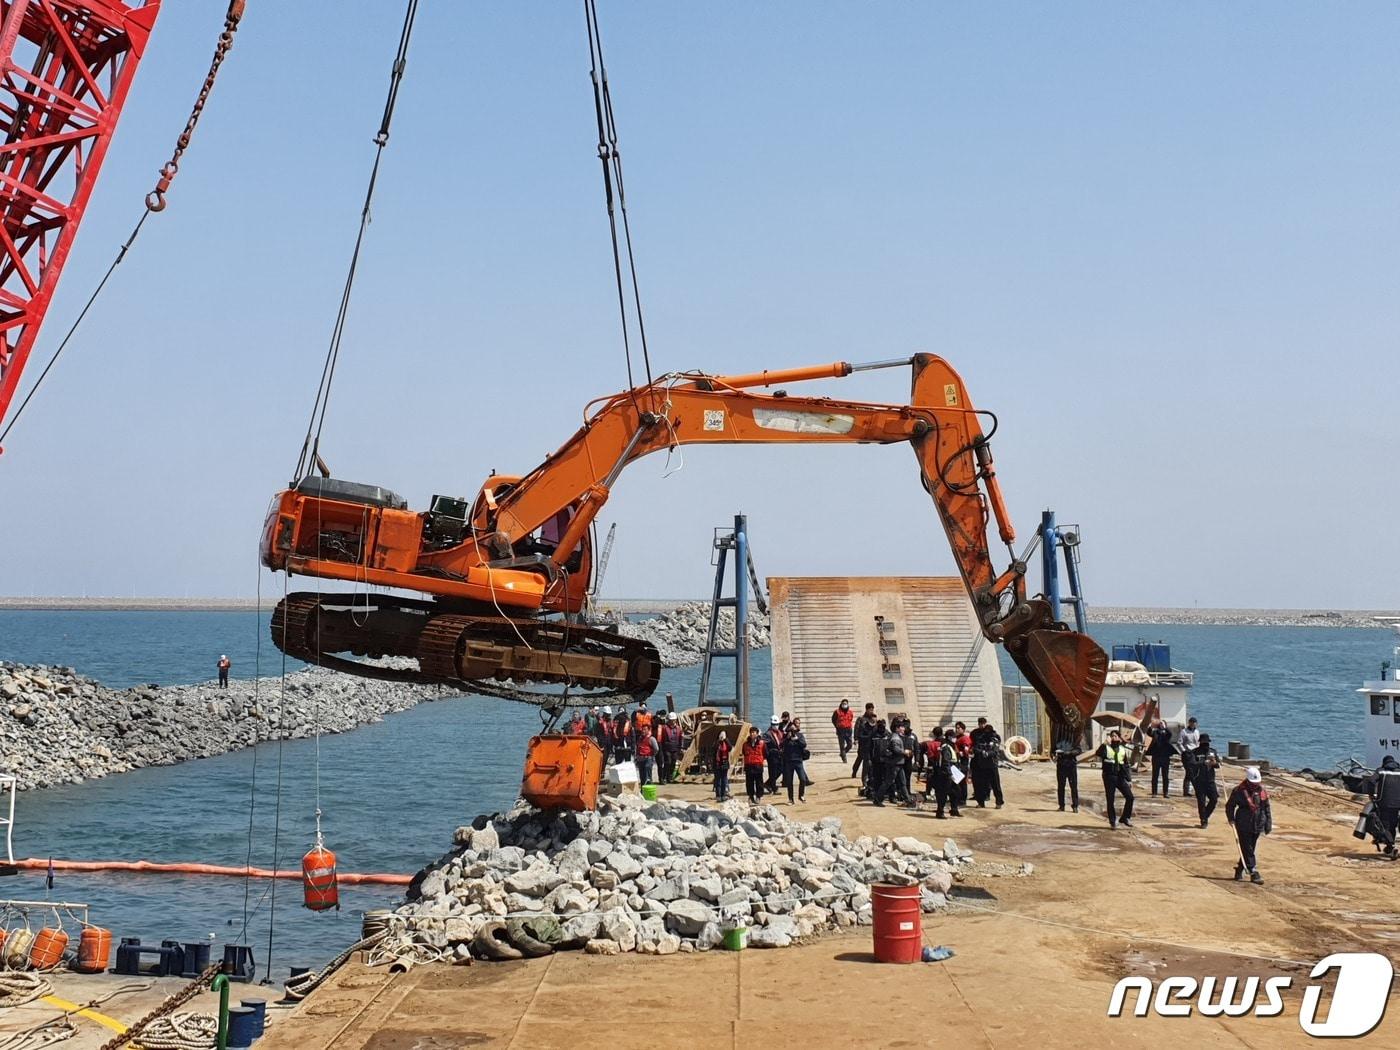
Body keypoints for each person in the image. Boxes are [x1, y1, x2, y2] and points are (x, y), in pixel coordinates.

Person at [1225, 767, 1272, 883]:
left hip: (1258, 823)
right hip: (1243, 823)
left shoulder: (1262, 791)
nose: (1255, 785)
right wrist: (1231, 819)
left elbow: (1266, 807)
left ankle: (1240, 868)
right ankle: (1253, 871)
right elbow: (1230, 806)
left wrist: (1268, 823)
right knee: (1248, 848)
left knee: (1249, 848)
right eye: (1253, 783)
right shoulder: (1239, 791)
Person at [1097, 729, 1135, 829]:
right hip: (1109, 776)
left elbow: (1126, 765)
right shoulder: (1106, 747)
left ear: (1119, 737)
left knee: (1130, 797)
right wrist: (1104, 743)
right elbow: (1098, 753)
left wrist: (1129, 779)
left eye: (1115, 736)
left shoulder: (1122, 749)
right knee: (1110, 799)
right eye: (1112, 736)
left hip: (1120, 776)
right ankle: (1112, 821)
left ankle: (1125, 817)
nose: (1114, 737)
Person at [923, 727, 961, 819]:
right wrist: (950, 774)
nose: (955, 738)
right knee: (943, 793)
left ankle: (954, 810)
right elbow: (946, 762)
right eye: (953, 737)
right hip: (947, 773)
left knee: (955, 791)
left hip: (952, 770)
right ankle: (940, 812)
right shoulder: (946, 747)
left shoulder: (950, 746)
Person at [970, 720, 1004, 808]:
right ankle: (981, 802)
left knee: (995, 785)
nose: (987, 733)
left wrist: (987, 753)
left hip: (992, 765)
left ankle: (999, 802)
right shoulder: (981, 738)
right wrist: (981, 752)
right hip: (981, 765)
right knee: (980, 785)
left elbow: (995, 751)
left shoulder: (995, 738)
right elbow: (976, 748)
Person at [1190, 734, 1221, 827]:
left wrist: (1214, 763)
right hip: (1199, 780)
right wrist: (1203, 762)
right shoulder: (1194, 752)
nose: (1206, 745)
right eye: (1204, 743)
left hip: (1210, 780)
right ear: (1200, 742)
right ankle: (1203, 821)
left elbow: (1218, 764)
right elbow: (1192, 764)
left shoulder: (1212, 751)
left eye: (1207, 743)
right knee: (1201, 801)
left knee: (1214, 799)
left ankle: (1205, 816)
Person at [782, 718, 812, 803]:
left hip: (798, 761)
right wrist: (787, 738)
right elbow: (782, 745)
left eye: (794, 728)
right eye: (791, 729)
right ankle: (790, 799)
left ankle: (801, 795)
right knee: (789, 781)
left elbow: (804, 745)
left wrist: (797, 739)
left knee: (802, 779)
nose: (793, 730)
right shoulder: (786, 736)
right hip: (789, 761)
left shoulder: (800, 735)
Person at [1052, 732, 1081, 813]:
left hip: (1071, 765)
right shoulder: (1057, 741)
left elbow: (1079, 750)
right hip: (1061, 765)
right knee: (1061, 786)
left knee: (1074, 786)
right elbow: (1053, 751)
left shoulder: (1073, 741)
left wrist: (1070, 753)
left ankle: (1075, 806)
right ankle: (1061, 805)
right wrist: (1054, 755)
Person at [1146, 718, 1175, 797]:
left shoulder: (1167, 733)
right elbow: (1149, 733)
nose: (1161, 725)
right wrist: (1151, 726)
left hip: (1165, 757)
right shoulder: (1156, 732)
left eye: (1163, 723)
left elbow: (1170, 734)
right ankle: (1154, 793)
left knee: (1165, 776)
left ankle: (1165, 793)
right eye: (1160, 723)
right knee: (1155, 775)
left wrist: (1165, 727)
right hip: (1156, 756)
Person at [852, 703, 878, 785]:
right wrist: (856, 738)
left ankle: (867, 779)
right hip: (863, 743)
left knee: (868, 762)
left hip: (871, 744)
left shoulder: (874, 719)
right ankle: (855, 771)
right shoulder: (861, 719)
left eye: (872, 709)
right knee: (860, 758)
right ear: (866, 709)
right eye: (870, 709)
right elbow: (856, 729)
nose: (871, 711)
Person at [742, 727, 767, 803]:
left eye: (754, 732)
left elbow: (765, 753)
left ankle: (758, 796)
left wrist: (763, 760)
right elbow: (743, 752)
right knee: (749, 782)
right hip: (749, 765)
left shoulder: (762, 743)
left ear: (757, 733)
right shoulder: (745, 744)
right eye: (751, 732)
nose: (752, 734)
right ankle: (750, 796)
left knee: (759, 782)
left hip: (758, 765)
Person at [658, 712, 685, 783]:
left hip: (675, 748)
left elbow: (680, 739)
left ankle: (669, 777)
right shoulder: (664, 728)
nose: (672, 721)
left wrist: (681, 748)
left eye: (673, 720)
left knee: (673, 763)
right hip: (667, 748)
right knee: (668, 763)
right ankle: (663, 777)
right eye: (671, 720)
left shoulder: (678, 728)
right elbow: (661, 739)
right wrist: (661, 749)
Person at [1177, 718, 1201, 797]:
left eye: (1195, 723)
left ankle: (1186, 791)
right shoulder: (1184, 732)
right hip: (1187, 754)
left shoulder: (1197, 731)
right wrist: (1184, 751)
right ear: (1189, 723)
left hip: (1195, 754)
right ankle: (1195, 790)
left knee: (1193, 773)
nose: (1193, 724)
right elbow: (1179, 743)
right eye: (1192, 722)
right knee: (1190, 772)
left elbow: (1198, 743)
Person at [764, 716, 787, 794]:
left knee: (780, 769)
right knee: (772, 772)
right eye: (774, 724)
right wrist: (769, 753)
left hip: (779, 755)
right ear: (771, 724)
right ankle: (774, 788)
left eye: (777, 724)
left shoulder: (779, 732)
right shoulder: (768, 734)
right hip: (772, 756)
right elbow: (764, 744)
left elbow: (782, 741)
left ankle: (768, 783)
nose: (776, 726)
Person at [953, 721, 972, 805]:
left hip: (963, 762)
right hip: (956, 762)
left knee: (962, 781)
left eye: (958, 728)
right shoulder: (956, 738)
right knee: (956, 781)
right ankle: (957, 797)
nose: (957, 729)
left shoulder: (965, 738)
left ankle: (963, 799)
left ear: (963, 729)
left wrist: (963, 753)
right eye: (956, 728)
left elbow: (966, 748)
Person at [713, 732, 733, 802]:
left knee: (724, 779)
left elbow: (730, 748)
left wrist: (726, 740)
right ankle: (718, 795)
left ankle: (723, 795)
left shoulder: (726, 743)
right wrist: (719, 740)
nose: (722, 736)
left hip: (724, 763)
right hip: (717, 763)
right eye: (721, 734)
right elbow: (714, 749)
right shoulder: (716, 742)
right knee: (718, 780)